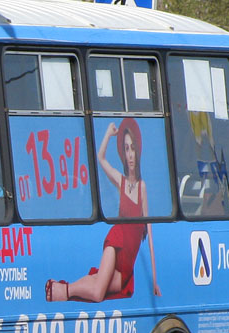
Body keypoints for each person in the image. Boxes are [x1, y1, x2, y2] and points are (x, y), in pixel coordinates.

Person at [45, 118, 160, 302]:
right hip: (116, 242)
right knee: (98, 293)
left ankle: (60, 287)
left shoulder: (142, 187)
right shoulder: (120, 181)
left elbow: (150, 231)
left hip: (127, 264)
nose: (130, 155)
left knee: (99, 282)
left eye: (132, 149)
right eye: (126, 149)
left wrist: (154, 280)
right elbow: (101, 158)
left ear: (138, 152)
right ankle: (61, 291)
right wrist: (108, 134)